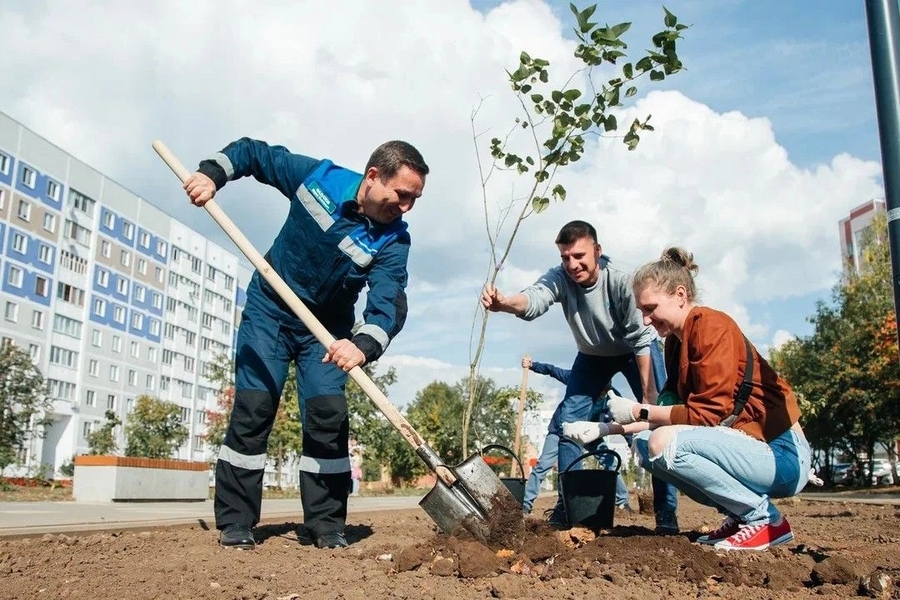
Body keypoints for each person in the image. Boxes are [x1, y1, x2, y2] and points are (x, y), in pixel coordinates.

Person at [183, 138, 429, 550]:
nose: (405, 208)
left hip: (327, 332)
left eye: (414, 199)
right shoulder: (319, 178)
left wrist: (361, 346)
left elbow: (388, 302)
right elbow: (255, 154)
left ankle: (326, 524)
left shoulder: (394, 240)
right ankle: (236, 521)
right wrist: (212, 175)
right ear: (372, 177)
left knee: (328, 418)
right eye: (402, 195)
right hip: (270, 312)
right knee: (254, 407)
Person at [572, 247, 811, 550]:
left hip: (782, 457)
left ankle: (764, 520)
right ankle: (739, 516)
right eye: (641, 311)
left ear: (680, 295)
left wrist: (637, 409)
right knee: (647, 447)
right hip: (750, 452)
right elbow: (667, 414)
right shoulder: (675, 343)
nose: (645, 320)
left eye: (650, 308)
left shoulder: (712, 327)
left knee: (663, 443)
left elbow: (703, 416)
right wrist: (607, 429)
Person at [481, 220, 678, 531]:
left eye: (579, 256)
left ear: (597, 251)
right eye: (565, 257)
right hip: (592, 355)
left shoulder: (622, 280)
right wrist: (504, 303)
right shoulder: (560, 277)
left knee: (658, 420)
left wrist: (648, 401)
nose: (572, 264)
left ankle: (666, 514)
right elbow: (534, 298)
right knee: (567, 425)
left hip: (634, 349)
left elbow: (641, 341)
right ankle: (566, 507)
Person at [520, 355, 632, 515]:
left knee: (610, 462)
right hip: (562, 429)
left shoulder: (613, 396)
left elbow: (623, 417)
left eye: (605, 390)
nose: (602, 394)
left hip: (589, 433)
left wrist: (630, 442)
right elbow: (552, 370)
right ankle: (526, 504)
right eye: (600, 389)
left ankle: (622, 502)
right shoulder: (577, 380)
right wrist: (532, 365)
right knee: (543, 465)